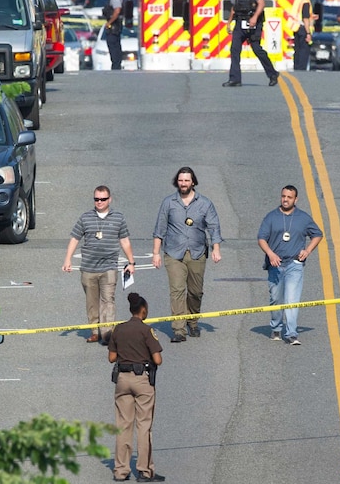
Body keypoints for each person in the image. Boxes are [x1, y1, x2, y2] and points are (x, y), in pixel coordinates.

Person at [152, 166, 222, 343]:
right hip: (174, 254)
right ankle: (179, 329)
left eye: (186, 180)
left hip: (197, 253)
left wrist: (216, 249)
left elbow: (214, 227)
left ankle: (193, 320)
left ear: (193, 182)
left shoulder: (205, 203)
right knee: (177, 290)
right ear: (177, 182)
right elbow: (159, 229)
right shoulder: (169, 203)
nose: (183, 184)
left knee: (195, 292)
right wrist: (156, 253)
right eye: (180, 180)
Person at [62, 186, 136, 345]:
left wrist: (131, 262)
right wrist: (67, 259)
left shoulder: (118, 218)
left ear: (109, 199)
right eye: (96, 199)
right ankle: (95, 331)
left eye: (103, 199)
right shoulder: (85, 218)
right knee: (92, 302)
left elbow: (124, 241)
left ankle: (107, 332)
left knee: (108, 300)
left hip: (109, 267)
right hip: (88, 268)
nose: (99, 202)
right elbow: (75, 238)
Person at [108, 292, 165, 482]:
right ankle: (144, 470)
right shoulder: (146, 330)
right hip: (142, 380)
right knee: (144, 426)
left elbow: (111, 358)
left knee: (123, 425)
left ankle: (121, 471)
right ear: (143, 310)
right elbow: (158, 359)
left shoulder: (119, 329)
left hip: (122, 379)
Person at [257, 185, 323, 345]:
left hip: (294, 264)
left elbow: (318, 234)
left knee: (292, 299)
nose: (285, 199)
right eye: (283, 196)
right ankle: (276, 328)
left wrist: (307, 251)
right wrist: (270, 254)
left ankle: (292, 333)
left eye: (289, 197)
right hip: (276, 264)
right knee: (276, 299)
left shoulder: (303, 218)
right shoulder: (271, 217)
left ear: (295, 199)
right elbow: (261, 238)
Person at [222, 0, 280, 87]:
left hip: (253, 23)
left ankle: (272, 74)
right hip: (240, 22)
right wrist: (229, 22)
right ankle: (235, 79)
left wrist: (254, 17)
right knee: (235, 49)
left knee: (256, 49)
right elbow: (234, 6)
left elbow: (261, 3)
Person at [288, 0, 315, 71]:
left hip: (296, 27)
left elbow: (299, 14)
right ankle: (301, 70)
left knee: (298, 50)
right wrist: (308, 33)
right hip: (303, 28)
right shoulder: (306, 1)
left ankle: (296, 68)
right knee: (304, 50)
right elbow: (305, 18)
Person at [103, 0, 124, 71]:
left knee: (113, 46)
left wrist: (109, 22)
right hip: (115, 26)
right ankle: (116, 65)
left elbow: (117, 11)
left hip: (114, 27)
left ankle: (116, 67)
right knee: (114, 46)